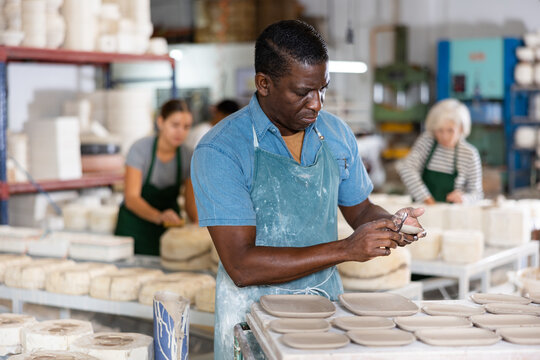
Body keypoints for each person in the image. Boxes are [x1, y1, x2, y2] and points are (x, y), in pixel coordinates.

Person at [191, 20, 425, 358]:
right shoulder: (222, 150)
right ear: (264, 83)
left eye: (322, 89)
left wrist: (391, 224)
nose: (317, 104)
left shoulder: (335, 133)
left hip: (324, 312)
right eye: (303, 92)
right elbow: (241, 266)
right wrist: (346, 249)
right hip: (251, 322)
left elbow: (359, 209)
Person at [115, 99, 198, 255]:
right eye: (175, 125)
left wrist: (198, 225)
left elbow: (190, 203)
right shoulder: (140, 149)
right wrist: (159, 216)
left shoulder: (188, 156)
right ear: (160, 122)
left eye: (186, 127)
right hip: (135, 228)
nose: (180, 132)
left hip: (168, 231)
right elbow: (131, 198)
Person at [397, 99, 483, 204]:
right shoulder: (427, 141)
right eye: (440, 130)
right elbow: (407, 169)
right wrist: (426, 198)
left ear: (461, 128)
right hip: (422, 209)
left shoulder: (470, 154)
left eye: (450, 130)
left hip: (452, 215)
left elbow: (477, 194)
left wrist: (464, 198)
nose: (444, 136)